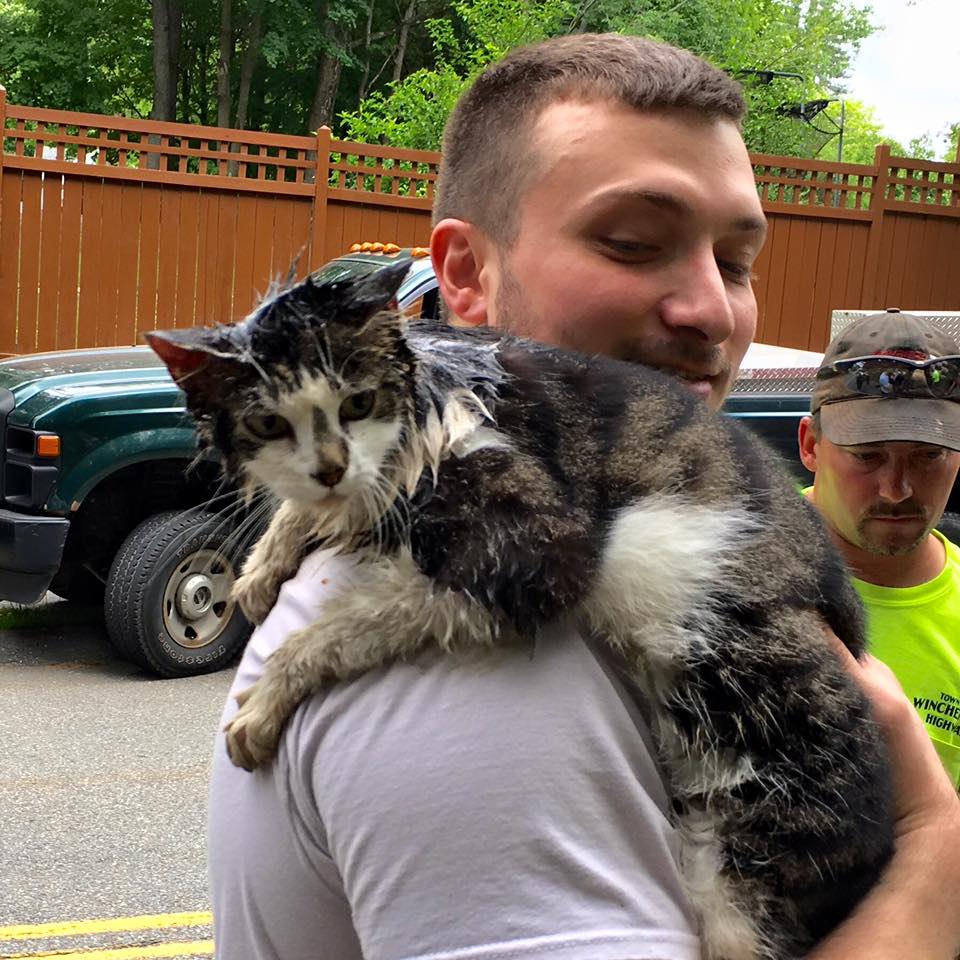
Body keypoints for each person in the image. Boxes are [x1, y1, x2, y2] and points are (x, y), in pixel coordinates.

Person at [208, 35, 960, 960]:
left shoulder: (459, 493)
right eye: (634, 244)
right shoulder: (485, 684)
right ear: (466, 274)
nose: (713, 313)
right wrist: (937, 849)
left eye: (736, 263)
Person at [798, 309, 960, 788]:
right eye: (867, 456)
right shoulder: (726, 567)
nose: (896, 489)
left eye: (928, 456)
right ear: (810, 446)